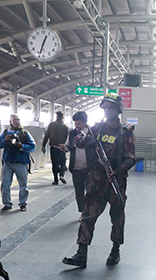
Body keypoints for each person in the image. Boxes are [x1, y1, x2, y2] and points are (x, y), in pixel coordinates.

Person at [62, 93, 135, 268]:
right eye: (105, 106)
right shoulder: (96, 128)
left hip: (115, 182)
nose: (108, 110)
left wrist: (117, 171)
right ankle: (81, 253)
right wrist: (84, 140)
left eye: (111, 107)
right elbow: (78, 142)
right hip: (95, 181)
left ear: (118, 110)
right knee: (88, 216)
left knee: (117, 217)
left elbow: (131, 158)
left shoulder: (125, 132)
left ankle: (115, 250)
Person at [0, 114, 36, 212]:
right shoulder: (5, 132)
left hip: (21, 162)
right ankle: (7, 204)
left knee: (23, 184)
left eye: (18, 120)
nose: (17, 121)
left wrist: (22, 146)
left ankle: (23, 203)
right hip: (8, 162)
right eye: (14, 120)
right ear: (10, 122)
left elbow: (33, 146)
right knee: (5, 184)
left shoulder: (25, 133)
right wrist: (5, 141)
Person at [64, 111, 91, 221]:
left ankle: (89, 212)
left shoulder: (92, 133)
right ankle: (83, 212)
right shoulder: (72, 133)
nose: (77, 126)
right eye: (75, 123)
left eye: (79, 124)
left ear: (85, 122)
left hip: (90, 168)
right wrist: (64, 148)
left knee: (90, 192)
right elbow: (68, 146)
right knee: (79, 192)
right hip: (76, 168)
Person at [42, 111, 69, 185]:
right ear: (62, 117)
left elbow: (46, 136)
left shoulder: (51, 125)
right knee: (63, 162)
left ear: (56, 116)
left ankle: (55, 180)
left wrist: (43, 146)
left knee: (54, 163)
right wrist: (68, 148)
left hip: (53, 147)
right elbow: (68, 138)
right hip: (61, 147)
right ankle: (61, 175)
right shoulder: (65, 126)